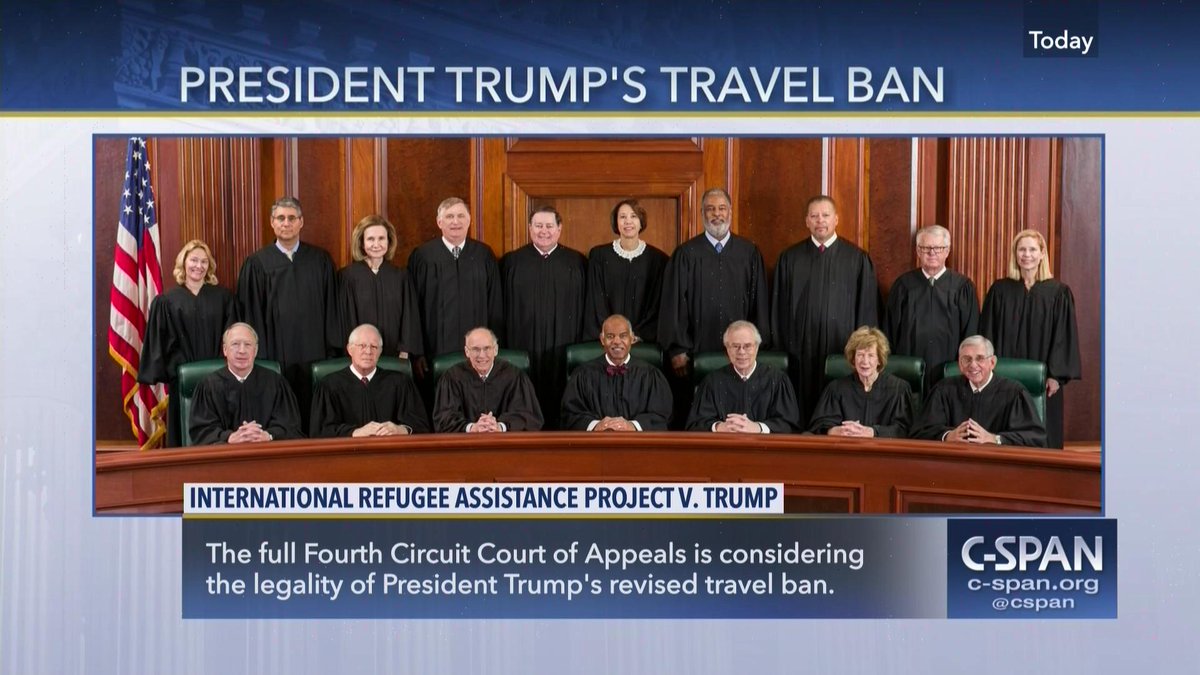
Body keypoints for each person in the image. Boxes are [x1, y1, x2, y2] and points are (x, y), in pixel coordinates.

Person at [658, 188, 769, 427]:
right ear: (702, 213)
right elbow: (674, 304)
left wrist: (758, 345)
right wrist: (677, 349)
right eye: (710, 209)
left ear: (730, 212)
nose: (716, 214)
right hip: (695, 350)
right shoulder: (686, 253)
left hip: (740, 351)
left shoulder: (748, 252)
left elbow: (758, 303)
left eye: (721, 208)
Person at [772, 194, 878, 425]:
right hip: (800, 350)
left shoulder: (857, 259)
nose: (820, 220)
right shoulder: (790, 258)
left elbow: (866, 309)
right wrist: (782, 348)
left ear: (836, 219)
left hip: (842, 347)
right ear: (807, 221)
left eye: (825, 215)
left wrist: (861, 350)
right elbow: (778, 312)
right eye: (814, 216)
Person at [236, 196, 339, 428]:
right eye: (280, 218)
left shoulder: (320, 260)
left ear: (301, 222)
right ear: (272, 222)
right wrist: (261, 357)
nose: (286, 223)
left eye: (292, 218)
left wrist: (332, 351)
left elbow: (332, 309)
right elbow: (251, 315)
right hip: (274, 357)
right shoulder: (257, 264)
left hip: (315, 355)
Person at [979, 229, 1080, 449]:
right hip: (1004, 376)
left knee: (1044, 432)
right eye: (1022, 249)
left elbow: (1063, 337)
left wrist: (1055, 376)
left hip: (1043, 381)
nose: (1027, 255)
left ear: (1042, 254)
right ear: (1015, 254)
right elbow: (987, 334)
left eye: (1033, 249)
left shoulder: (1058, 292)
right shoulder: (1000, 290)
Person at [139, 239, 238, 447]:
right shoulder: (167, 301)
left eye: (204, 261)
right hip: (183, 383)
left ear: (209, 266)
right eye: (193, 260)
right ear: (183, 262)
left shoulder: (224, 298)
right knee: (184, 437)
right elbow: (161, 346)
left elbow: (233, 339)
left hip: (218, 381)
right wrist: (178, 371)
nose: (198, 266)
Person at [500, 206, 586, 428]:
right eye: (538, 226)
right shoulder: (512, 262)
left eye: (549, 226)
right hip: (523, 343)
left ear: (559, 229)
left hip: (564, 343)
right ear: (530, 228)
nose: (544, 231)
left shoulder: (576, 262)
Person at [407, 198, 504, 368]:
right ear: (439, 222)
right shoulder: (423, 256)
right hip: (434, 349)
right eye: (449, 216)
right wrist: (417, 353)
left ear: (469, 220)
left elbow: (494, 304)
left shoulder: (483, 255)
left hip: (478, 351)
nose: (455, 221)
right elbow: (412, 307)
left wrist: (494, 345)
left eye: (461, 216)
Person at [884, 224, 978, 391]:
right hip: (908, 368)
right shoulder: (903, 285)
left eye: (938, 248)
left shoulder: (962, 287)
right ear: (918, 251)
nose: (932, 252)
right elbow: (889, 331)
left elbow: (970, 332)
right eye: (926, 248)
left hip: (950, 369)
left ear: (947, 251)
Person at [910, 335, 1046, 447]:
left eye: (980, 358)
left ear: (992, 362)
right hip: (955, 463)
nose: (973, 365)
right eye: (967, 359)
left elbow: (1035, 438)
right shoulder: (944, 390)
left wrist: (994, 439)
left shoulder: (1014, 393)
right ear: (960, 364)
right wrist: (947, 436)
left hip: (996, 465)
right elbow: (920, 431)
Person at [189, 322, 302, 445]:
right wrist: (229, 437)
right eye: (235, 344)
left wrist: (268, 435)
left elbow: (290, 426)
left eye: (248, 344)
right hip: (226, 454)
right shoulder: (208, 386)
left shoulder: (275, 383)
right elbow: (201, 431)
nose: (242, 351)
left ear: (256, 350)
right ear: (225, 350)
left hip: (266, 452)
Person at [309, 324, 430, 438]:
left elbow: (421, 426)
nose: (368, 352)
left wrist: (400, 430)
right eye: (362, 345)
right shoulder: (329, 386)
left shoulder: (400, 383)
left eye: (374, 347)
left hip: (390, 451)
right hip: (349, 452)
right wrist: (354, 432)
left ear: (380, 351)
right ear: (350, 349)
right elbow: (319, 432)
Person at [561, 314, 673, 431]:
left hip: (636, 441)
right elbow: (569, 415)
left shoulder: (650, 375)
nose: (617, 341)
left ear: (632, 338)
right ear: (602, 340)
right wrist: (596, 425)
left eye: (623, 336)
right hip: (597, 441)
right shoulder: (583, 374)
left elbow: (662, 416)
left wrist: (633, 426)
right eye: (610, 336)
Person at [686, 320, 799, 433]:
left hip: (763, 444)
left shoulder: (778, 380)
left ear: (757, 347)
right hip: (725, 443)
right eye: (735, 346)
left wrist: (758, 427)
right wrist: (719, 427)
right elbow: (695, 424)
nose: (741, 352)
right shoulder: (712, 382)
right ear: (727, 349)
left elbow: (789, 425)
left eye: (747, 346)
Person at [337, 214, 423, 361]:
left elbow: (409, 317)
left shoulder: (401, 276)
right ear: (361, 243)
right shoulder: (347, 277)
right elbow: (346, 320)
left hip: (394, 354)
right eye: (370, 239)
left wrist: (404, 351)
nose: (376, 244)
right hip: (360, 355)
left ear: (389, 241)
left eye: (381, 238)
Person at [584, 199, 669, 345]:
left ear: (641, 222)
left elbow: (657, 306)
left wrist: (638, 334)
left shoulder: (658, 260)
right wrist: (612, 334)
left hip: (644, 341)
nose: (628, 221)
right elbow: (595, 302)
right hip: (608, 342)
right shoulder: (599, 256)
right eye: (622, 217)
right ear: (616, 222)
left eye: (633, 216)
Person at [432, 327, 543, 433]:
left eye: (487, 348)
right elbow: (443, 418)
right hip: (466, 443)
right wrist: (472, 428)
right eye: (476, 349)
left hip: (505, 443)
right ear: (467, 351)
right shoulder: (452, 377)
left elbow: (529, 416)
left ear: (495, 350)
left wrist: (500, 426)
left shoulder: (515, 376)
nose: (482, 355)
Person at [808, 326, 913, 438]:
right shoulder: (836, 389)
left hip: (882, 449)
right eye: (860, 355)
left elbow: (904, 430)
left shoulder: (898, 389)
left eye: (871, 355)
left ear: (879, 359)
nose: (865, 361)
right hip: (846, 447)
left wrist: (873, 432)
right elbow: (820, 426)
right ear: (853, 359)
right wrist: (837, 431)